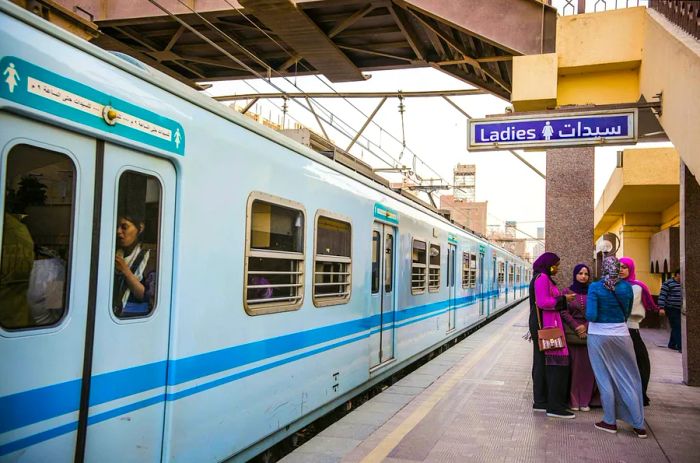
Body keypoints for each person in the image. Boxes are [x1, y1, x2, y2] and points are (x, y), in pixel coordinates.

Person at [587, 256, 647, 438]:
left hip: (598, 336)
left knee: (604, 379)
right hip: (622, 334)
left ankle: (609, 421)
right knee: (629, 378)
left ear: (603, 268)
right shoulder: (626, 288)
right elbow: (627, 313)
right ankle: (638, 425)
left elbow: (591, 314)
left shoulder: (595, 287)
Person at [528, 252, 576, 418]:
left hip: (546, 325)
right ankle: (553, 405)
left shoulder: (541, 277)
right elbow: (543, 302)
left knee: (541, 362)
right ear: (548, 264)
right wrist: (564, 299)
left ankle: (541, 402)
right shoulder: (542, 278)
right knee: (555, 362)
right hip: (546, 326)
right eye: (556, 264)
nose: (557, 268)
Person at [619, 257, 661, 406]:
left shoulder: (637, 287)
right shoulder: (614, 285)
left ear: (630, 269)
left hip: (632, 328)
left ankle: (640, 394)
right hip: (618, 328)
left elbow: (642, 305)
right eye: (619, 267)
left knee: (641, 363)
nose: (621, 270)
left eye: (625, 267)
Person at [561, 263, 595, 412]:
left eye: (586, 274)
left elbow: (597, 311)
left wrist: (585, 326)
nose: (583, 276)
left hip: (590, 334)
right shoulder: (567, 292)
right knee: (573, 370)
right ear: (575, 275)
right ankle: (573, 400)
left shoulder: (593, 292)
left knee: (588, 370)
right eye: (580, 273)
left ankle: (585, 401)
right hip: (572, 335)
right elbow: (563, 311)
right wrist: (576, 326)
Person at [113, 213, 156, 317]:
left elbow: (146, 296)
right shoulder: (113, 252)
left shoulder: (150, 257)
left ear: (140, 228)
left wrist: (126, 271)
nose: (118, 231)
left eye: (124, 227)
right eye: (117, 227)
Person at [658, 269, 682, 352]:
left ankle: (671, 344)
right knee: (677, 326)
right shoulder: (668, 283)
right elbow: (662, 295)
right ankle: (680, 346)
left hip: (681, 309)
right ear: (677, 274)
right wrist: (661, 308)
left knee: (676, 327)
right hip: (671, 308)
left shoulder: (684, 284)